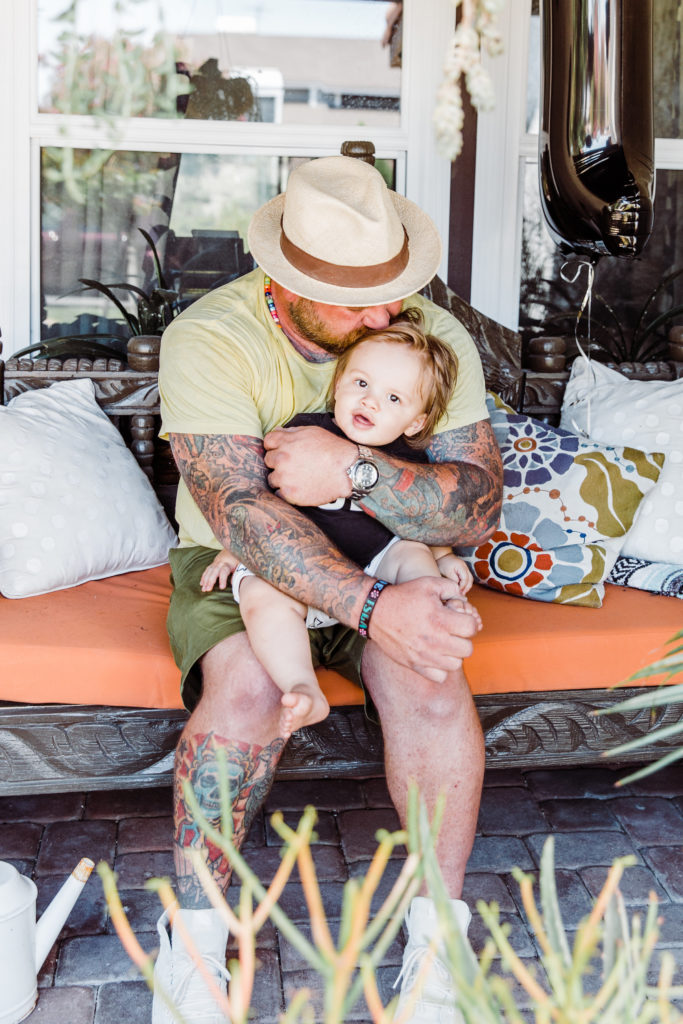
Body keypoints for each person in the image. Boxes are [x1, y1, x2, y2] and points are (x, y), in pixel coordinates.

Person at [156, 154, 503, 1024]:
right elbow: (239, 513)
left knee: (432, 678)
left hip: (389, 551)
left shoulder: (427, 336)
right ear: (285, 279)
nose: (384, 316)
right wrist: (374, 611)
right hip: (243, 560)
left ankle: (438, 939)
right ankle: (193, 939)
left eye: (391, 289)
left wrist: (354, 469)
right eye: (356, 300)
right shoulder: (212, 335)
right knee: (247, 685)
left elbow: (476, 505)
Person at [199, 312, 477, 739]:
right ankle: (301, 686)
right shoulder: (303, 433)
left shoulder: (409, 461)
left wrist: (443, 556)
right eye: (361, 384)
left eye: (394, 398)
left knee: (413, 554)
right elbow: (257, 503)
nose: (370, 402)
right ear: (338, 385)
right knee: (259, 595)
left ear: (416, 422)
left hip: (376, 565)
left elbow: (421, 518)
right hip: (295, 569)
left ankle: (442, 607)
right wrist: (232, 551)